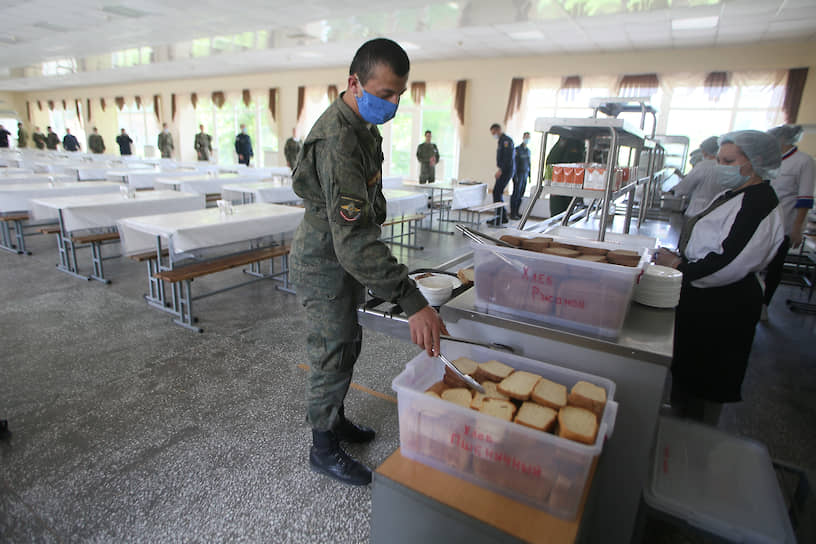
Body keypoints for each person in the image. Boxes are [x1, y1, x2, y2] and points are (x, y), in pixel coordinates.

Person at [290, 38, 446, 487]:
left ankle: (335, 420)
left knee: (348, 340)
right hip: (325, 260)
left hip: (341, 255)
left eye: (400, 93)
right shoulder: (339, 138)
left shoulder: (360, 123)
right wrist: (411, 299)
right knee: (332, 350)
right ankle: (322, 447)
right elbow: (353, 240)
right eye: (385, 93)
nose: (394, 103)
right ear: (354, 83)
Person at [655, 130, 784, 425]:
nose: (721, 167)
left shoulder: (758, 203)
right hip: (705, 298)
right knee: (688, 379)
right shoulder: (737, 193)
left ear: (755, 162)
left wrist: (677, 264)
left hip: (724, 306)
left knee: (706, 386)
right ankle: (679, 429)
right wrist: (680, 256)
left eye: (729, 161)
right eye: (720, 160)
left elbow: (728, 263)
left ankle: (697, 445)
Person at [763, 124, 815, 317]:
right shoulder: (771, 161)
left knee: (775, 266)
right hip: (764, 221)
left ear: (783, 140)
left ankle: (764, 305)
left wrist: (797, 228)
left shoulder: (804, 161)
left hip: (784, 224)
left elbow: (805, 198)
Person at [671, 136, 719, 217]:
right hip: (716, 213)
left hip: (698, 211)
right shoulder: (725, 167)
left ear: (705, 152)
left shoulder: (703, 166)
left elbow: (684, 187)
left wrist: (672, 191)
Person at [546, 136, 586, 217]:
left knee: (570, 216)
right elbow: (550, 163)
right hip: (558, 187)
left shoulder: (580, 145)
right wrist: (549, 184)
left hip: (574, 187)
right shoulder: (565, 143)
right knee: (557, 217)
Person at [488, 123, 514, 225]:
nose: (494, 135)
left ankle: (499, 217)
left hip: (506, 170)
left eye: (494, 132)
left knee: (496, 192)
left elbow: (508, 158)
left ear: (499, 130)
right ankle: (502, 216)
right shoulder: (501, 140)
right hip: (504, 170)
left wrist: (501, 170)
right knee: (497, 192)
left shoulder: (506, 141)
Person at [510, 131, 531, 220]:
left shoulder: (528, 151)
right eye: (526, 137)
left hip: (525, 174)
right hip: (518, 174)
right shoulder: (517, 149)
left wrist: (530, 175)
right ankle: (512, 213)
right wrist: (514, 176)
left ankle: (517, 212)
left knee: (521, 195)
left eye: (528, 138)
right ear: (523, 138)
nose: (527, 139)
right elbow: (514, 163)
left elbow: (529, 164)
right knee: (516, 194)